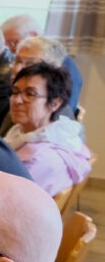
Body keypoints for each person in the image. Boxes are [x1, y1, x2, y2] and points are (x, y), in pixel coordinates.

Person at [5, 62, 93, 197]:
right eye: (15, 92)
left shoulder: (41, 158)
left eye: (30, 94)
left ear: (54, 103)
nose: (17, 100)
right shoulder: (24, 133)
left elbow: (8, 199)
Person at [4, 35, 82, 129]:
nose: (18, 69)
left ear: (52, 68)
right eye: (17, 61)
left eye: (30, 64)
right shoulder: (17, 95)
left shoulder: (58, 117)